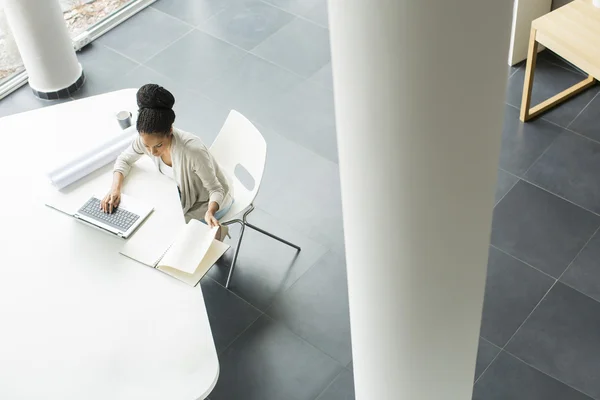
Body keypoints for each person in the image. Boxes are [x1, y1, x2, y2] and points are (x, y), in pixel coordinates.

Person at [101, 84, 233, 241]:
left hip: (207, 203)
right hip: (181, 196)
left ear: (170, 131)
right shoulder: (146, 141)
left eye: (158, 145)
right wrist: (115, 189)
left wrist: (210, 212)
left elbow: (216, 190)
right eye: (147, 146)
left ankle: (214, 243)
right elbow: (124, 159)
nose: (152, 152)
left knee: (163, 233)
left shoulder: (192, 151)